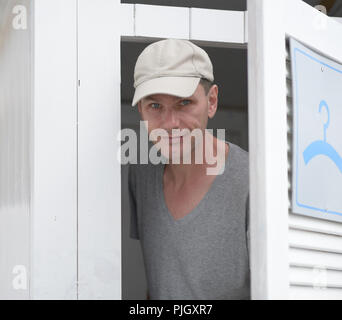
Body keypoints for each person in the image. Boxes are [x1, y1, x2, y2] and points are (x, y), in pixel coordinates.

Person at [128, 38, 250, 300]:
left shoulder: (253, 179)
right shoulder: (141, 175)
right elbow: (162, 280)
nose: (170, 123)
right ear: (141, 110)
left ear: (212, 101)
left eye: (184, 103)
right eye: (155, 106)